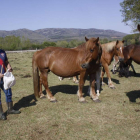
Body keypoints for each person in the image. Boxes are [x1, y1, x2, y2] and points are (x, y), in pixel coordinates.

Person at [0, 49, 21, 121]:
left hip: (5, 77)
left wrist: (9, 66)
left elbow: (6, 61)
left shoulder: (2, 52)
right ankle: (1, 113)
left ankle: (10, 109)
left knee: (8, 93)